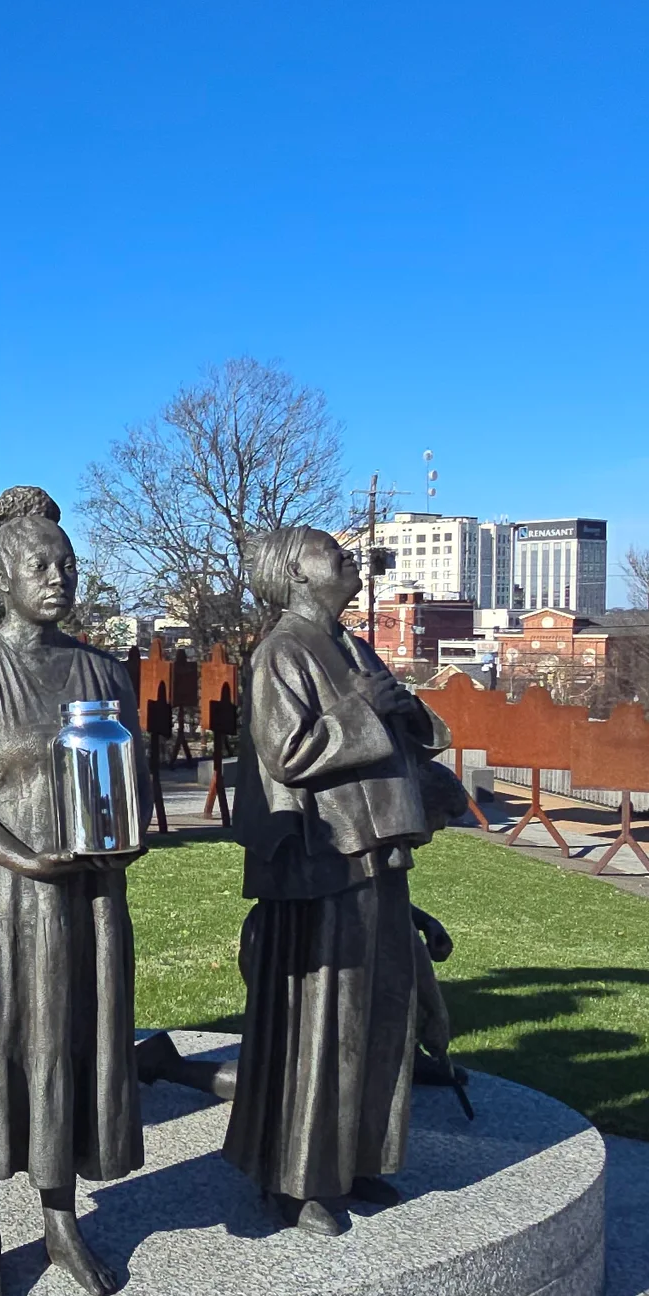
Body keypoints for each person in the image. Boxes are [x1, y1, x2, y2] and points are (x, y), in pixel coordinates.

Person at [0, 486, 143, 1296]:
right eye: (39, 565)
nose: (57, 578)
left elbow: (125, 784)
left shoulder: (101, 671)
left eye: (67, 565)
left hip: (82, 904)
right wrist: (23, 857)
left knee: (66, 1049)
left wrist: (121, 838)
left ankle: (61, 1220)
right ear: (1, 575)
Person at [225, 524, 471, 1234]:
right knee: (322, 1021)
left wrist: (399, 711)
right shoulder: (281, 651)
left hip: (380, 851)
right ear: (296, 574)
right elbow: (287, 753)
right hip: (322, 860)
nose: (347, 558)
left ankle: (356, 1158)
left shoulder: (352, 645)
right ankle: (299, 1181)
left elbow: (412, 723)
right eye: (331, 551)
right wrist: (364, 708)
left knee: (379, 1013)